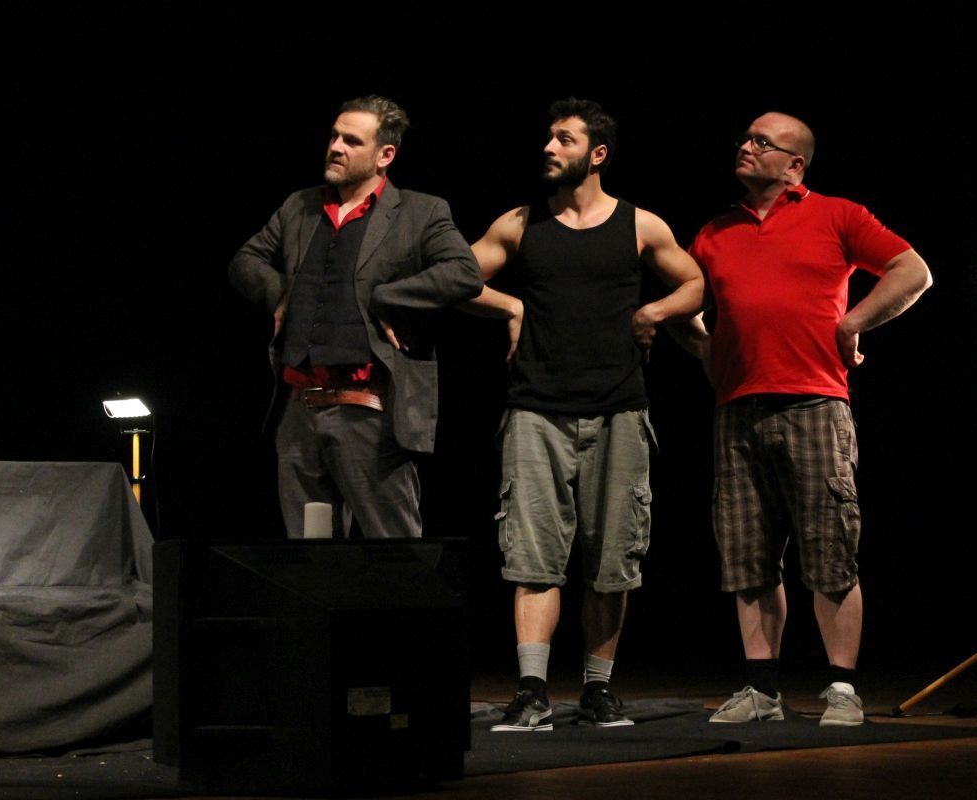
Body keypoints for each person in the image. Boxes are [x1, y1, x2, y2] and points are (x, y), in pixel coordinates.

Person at [682, 112, 932, 726]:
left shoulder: (837, 215)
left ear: (795, 165)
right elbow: (685, 304)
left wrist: (853, 323)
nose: (746, 146)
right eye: (745, 138)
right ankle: (761, 689)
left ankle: (842, 688)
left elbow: (913, 271)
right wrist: (705, 349)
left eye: (762, 142)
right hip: (738, 408)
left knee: (830, 548)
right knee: (747, 552)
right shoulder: (714, 232)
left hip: (815, 402)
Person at [469, 98, 704, 731]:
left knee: (613, 561)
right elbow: (454, 278)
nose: (549, 147)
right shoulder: (522, 223)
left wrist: (653, 312)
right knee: (533, 559)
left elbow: (696, 283)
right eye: (548, 137)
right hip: (536, 411)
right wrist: (511, 306)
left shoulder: (639, 225)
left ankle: (598, 689)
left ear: (597, 154)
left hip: (619, 410)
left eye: (564, 139)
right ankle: (532, 691)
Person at [228, 95, 482, 539]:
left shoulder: (421, 211)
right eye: (334, 136)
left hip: (369, 411)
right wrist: (281, 295)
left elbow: (464, 273)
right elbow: (245, 260)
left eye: (351, 141)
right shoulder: (300, 206)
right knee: (311, 554)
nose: (335, 147)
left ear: (385, 155)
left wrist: (388, 298)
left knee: (394, 550)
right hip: (299, 412)